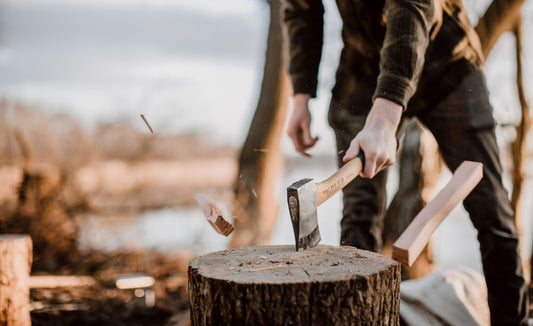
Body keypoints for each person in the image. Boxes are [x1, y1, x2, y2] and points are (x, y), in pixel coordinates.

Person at [282, 0, 529, 324]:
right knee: (359, 219)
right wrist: (301, 95)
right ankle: (362, 320)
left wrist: (386, 115)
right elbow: (302, 8)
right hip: (364, 68)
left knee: (492, 211)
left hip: (446, 62)